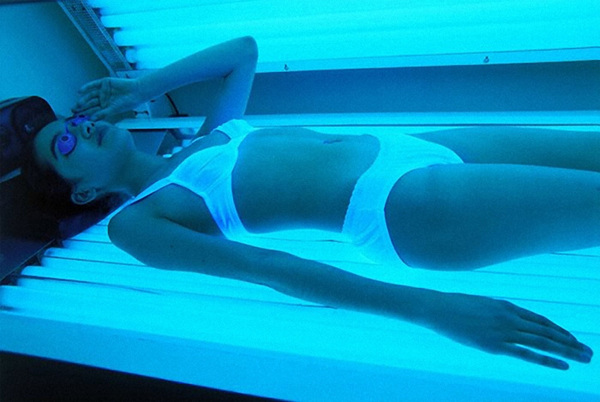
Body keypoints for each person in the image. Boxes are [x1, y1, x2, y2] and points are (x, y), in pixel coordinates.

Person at [26, 36, 597, 370]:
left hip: (421, 147)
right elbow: (273, 268)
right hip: (399, 207)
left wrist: (138, 89)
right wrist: (432, 309)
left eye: (72, 122)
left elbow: (242, 52)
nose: (79, 128)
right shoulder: (136, 223)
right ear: (83, 192)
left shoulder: (208, 136)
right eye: (64, 145)